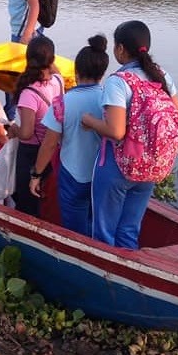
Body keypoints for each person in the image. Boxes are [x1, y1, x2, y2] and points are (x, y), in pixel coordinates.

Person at [81, 21, 178, 249]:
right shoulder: (162, 75)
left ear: (120, 49)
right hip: (150, 167)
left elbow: (116, 132)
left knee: (104, 232)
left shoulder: (118, 82)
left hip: (118, 167)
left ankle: (104, 273)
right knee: (129, 229)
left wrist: (90, 121)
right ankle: (126, 268)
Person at [29, 35, 109, 236]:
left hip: (73, 176)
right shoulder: (111, 101)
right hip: (102, 176)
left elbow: (48, 145)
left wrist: (36, 175)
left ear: (76, 71)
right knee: (98, 223)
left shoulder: (63, 103)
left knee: (75, 230)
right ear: (102, 72)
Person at [8, 36, 63, 217]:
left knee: (26, 197)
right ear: (52, 60)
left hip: (31, 152)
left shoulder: (29, 93)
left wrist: (13, 129)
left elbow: (26, 133)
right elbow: (55, 70)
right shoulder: (58, 81)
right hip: (52, 149)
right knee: (43, 192)